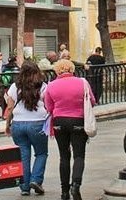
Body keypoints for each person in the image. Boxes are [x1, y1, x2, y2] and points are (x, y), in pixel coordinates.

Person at [43, 59, 95, 200]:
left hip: (59, 121)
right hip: (78, 120)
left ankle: (64, 191)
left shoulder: (51, 85)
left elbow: (48, 107)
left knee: (64, 156)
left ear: (57, 70)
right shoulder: (82, 82)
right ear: (72, 69)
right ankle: (76, 185)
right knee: (79, 155)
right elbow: (92, 101)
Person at [4, 61, 49, 197]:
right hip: (38, 123)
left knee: (23, 155)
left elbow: (10, 108)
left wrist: (7, 125)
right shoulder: (43, 86)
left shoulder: (14, 86)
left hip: (18, 123)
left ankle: (24, 186)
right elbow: (48, 105)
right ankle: (36, 180)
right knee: (41, 153)